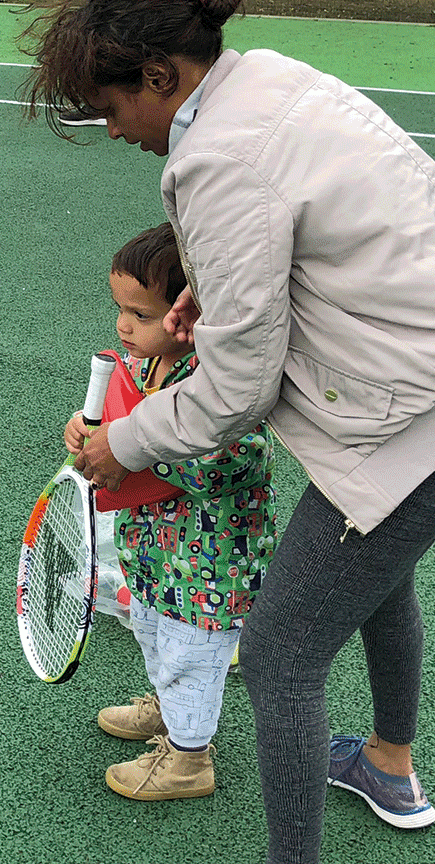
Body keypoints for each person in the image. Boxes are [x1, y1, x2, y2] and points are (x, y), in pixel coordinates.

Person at [23, 0, 435, 863]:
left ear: (162, 76)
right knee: (375, 575)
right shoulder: (269, 78)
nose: (112, 128)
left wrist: (117, 445)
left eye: (111, 105)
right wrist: (211, 295)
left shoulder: (217, 160)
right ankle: (387, 763)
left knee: (282, 650)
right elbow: (311, 245)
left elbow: (237, 389)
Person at [63, 222, 276, 802]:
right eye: (119, 308)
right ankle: (170, 710)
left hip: (209, 558)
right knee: (155, 633)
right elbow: (119, 425)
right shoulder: (142, 366)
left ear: (191, 315)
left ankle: (189, 759)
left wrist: (138, 453)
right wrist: (91, 434)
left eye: (141, 314)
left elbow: (241, 464)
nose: (123, 325)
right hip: (157, 551)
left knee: (193, 653)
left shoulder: (215, 385)